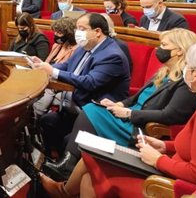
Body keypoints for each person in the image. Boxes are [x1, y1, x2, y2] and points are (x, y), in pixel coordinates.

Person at [40, 41, 196, 198]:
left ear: (195, 75)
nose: (184, 70)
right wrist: (165, 146)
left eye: (188, 66)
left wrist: (158, 160)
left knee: (93, 166)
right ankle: (63, 190)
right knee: (92, 154)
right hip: (167, 162)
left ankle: (62, 191)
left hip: (169, 181)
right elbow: (195, 146)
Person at [31, 13, 131, 156]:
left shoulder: (112, 55)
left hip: (94, 112)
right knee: (46, 122)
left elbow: (90, 82)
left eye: (82, 28)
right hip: (73, 105)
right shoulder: (84, 47)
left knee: (68, 139)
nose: (77, 33)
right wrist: (44, 66)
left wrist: (53, 72)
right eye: (77, 28)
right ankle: (51, 161)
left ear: (97, 32)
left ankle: (65, 169)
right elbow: (66, 66)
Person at [33, 17, 79, 118]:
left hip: (60, 82)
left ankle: (35, 114)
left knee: (47, 91)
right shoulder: (56, 46)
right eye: (55, 32)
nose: (55, 35)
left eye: (59, 33)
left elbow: (68, 71)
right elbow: (47, 63)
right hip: (47, 77)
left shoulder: (76, 50)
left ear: (69, 34)